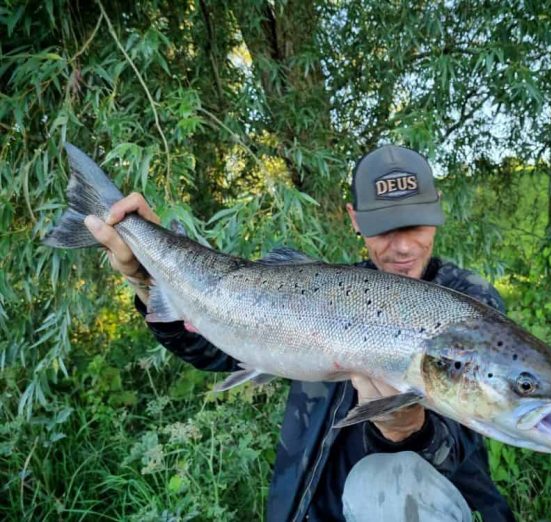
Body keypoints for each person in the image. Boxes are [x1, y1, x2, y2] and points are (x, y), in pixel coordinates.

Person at [85, 144, 515, 522]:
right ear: (354, 220)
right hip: (311, 506)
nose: (402, 247)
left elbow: (463, 443)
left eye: (415, 224)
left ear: (437, 212)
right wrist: (144, 277)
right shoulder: (320, 289)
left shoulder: (469, 306)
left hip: (428, 508)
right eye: (385, 228)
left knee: (388, 481)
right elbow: (212, 348)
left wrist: (407, 429)